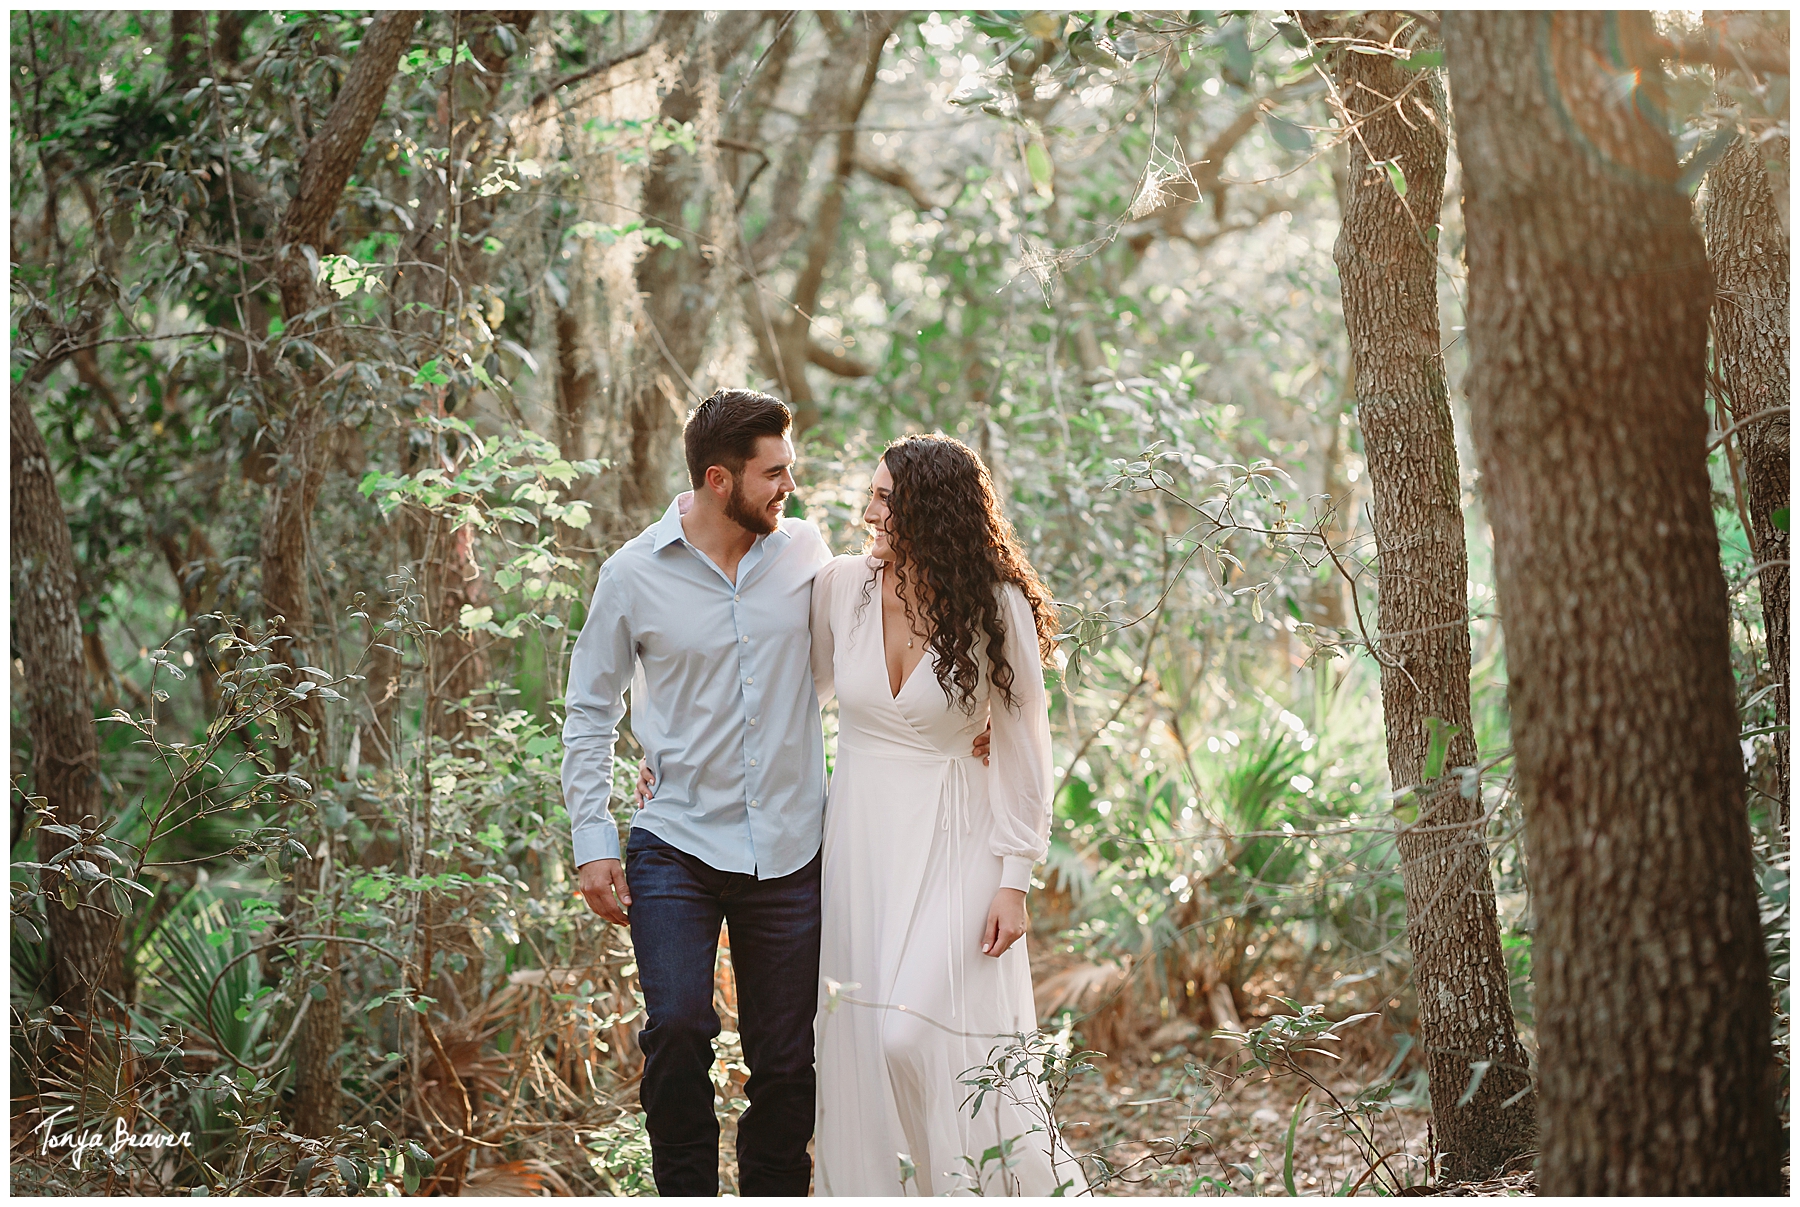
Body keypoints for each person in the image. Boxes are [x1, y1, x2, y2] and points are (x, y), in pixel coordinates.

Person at [564, 391, 990, 1196]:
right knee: (680, 1029)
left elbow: (870, 648)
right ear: (719, 479)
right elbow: (590, 708)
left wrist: (971, 716)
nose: (790, 484)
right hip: (676, 843)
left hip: (794, 849)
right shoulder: (631, 575)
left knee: (789, 1061)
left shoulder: (806, 553)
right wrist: (593, 839)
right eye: (775, 472)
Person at [809, 434, 1085, 1196]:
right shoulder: (842, 588)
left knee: (910, 1036)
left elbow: (1028, 744)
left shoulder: (993, 608)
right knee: (862, 1045)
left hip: (960, 839)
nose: (868, 512)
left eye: (885, 499)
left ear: (931, 510)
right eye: (871, 495)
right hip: (862, 842)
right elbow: (788, 693)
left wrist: (1016, 876)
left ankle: (974, 1187)